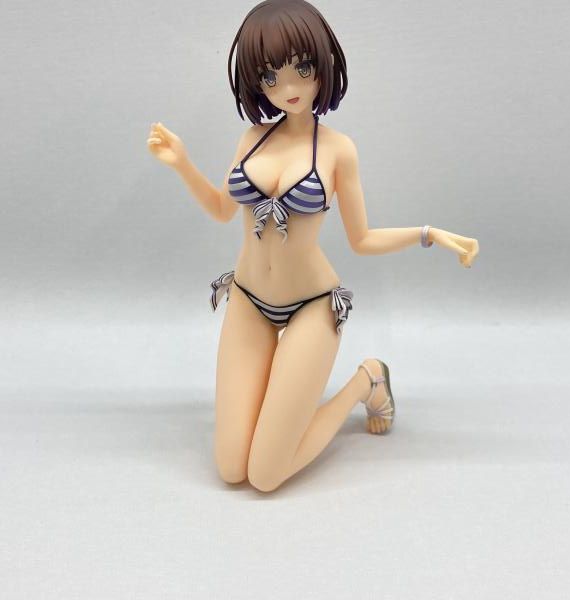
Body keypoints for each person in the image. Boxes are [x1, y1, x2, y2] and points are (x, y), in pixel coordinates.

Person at [146, 0, 479, 492]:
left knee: (265, 475)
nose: (289, 87)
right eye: (270, 75)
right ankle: (280, 405)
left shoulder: (339, 150)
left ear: (323, 63)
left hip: (311, 306)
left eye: (302, 68)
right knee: (231, 468)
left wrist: (428, 234)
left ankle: (367, 380)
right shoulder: (251, 138)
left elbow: (362, 239)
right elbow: (221, 208)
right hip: (248, 300)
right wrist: (182, 164)